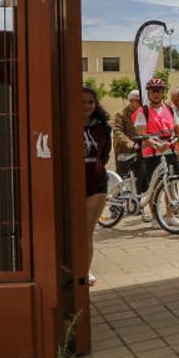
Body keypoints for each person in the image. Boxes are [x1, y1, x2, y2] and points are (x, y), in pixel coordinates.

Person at [132, 78, 179, 224]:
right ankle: (155, 217)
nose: (156, 94)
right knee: (154, 185)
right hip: (152, 154)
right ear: (148, 93)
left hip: (169, 151)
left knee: (169, 183)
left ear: (163, 93)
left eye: (159, 91)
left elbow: (178, 130)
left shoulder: (169, 109)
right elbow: (142, 135)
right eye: (153, 91)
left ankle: (169, 216)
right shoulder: (143, 111)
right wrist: (155, 145)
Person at [83, 86, 112, 287]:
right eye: (82, 102)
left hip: (97, 184)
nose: (87, 106)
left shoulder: (102, 127)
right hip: (72, 186)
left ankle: (84, 271)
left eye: (90, 102)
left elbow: (104, 155)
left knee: (87, 231)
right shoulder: (64, 124)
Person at [112, 90, 142, 182]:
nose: (141, 103)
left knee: (138, 178)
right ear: (131, 101)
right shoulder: (120, 115)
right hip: (123, 151)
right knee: (122, 178)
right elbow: (117, 131)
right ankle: (119, 195)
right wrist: (129, 142)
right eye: (139, 101)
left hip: (138, 151)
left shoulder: (142, 113)